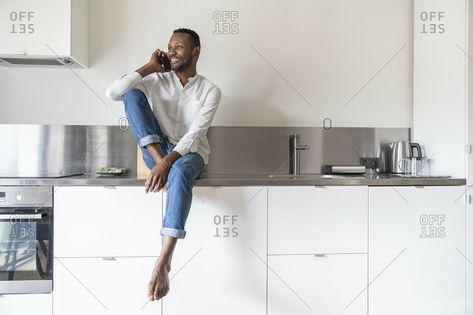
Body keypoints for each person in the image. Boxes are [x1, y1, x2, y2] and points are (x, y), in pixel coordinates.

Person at [105, 28, 222, 301]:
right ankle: (164, 164)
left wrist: (166, 164)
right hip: (156, 150)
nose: (172, 51)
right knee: (131, 94)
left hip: (190, 154)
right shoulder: (156, 79)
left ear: (196, 52)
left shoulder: (211, 90)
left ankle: (164, 261)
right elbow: (113, 93)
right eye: (169, 46)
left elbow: (195, 136)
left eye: (179, 47)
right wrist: (148, 67)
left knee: (181, 168)